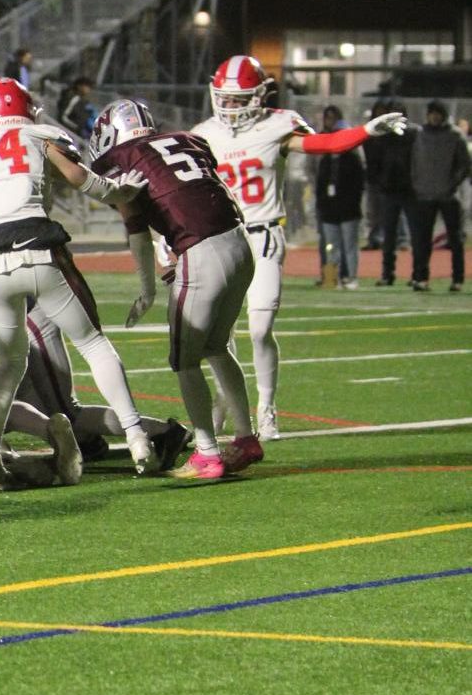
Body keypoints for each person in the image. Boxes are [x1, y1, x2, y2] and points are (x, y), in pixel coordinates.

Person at [0, 77, 152, 485]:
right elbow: (85, 181)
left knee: (9, 363)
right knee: (93, 344)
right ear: (26, 111)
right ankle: (137, 438)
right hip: (41, 250)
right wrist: (122, 193)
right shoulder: (39, 135)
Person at [192, 55, 405, 436]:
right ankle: (226, 398)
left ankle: (267, 404)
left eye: (239, 98)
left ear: (259, 96)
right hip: (222, 238)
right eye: (224, 97)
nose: (230, 105)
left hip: (264, 234)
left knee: (259, 328)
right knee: (218, 336)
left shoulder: (277, 124)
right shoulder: (203, 132)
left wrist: (366, 130)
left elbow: (326, 143)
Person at [90, 97, 258, 481]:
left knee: (184, 359)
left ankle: (207, 454)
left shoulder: (122, 158)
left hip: (201, 249)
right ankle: (247, 438)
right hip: (240, 242)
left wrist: (147, 289)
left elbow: (135, 226)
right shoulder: (189, 140)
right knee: (216, 346)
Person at [407, 100, 468, 292]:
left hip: (448, 196)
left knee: (455, 240)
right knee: (422, 240)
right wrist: (416, 183)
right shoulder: (420, 135)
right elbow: (413, 163)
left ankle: (457, 279)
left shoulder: (455, 136)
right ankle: (420, 278)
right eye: (431, 113)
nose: (434, 116)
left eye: (437, 113)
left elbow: (464, 165)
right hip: (424, 194)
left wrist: (451, 185)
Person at [362, 98, 414, 283]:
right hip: (388, 188)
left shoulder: (412, 134)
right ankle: (387, 273)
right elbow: (373, 161)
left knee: (414, 234)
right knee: (389, 235)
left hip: (408, 189)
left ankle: (417, 275)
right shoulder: (381, 136)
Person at [313, 105, 364, 288]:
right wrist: (321, 205)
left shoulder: (353, 159)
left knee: (349, 246)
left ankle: (351, 277)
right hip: (329, 209)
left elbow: (358, 186)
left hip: (348, 209)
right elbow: (320, 185)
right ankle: (332, 278)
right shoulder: (326, 159)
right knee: (331, 246)